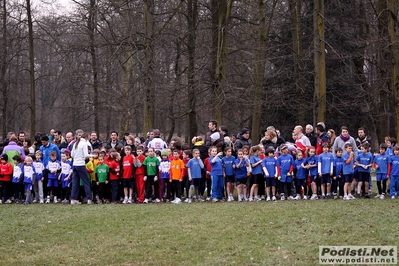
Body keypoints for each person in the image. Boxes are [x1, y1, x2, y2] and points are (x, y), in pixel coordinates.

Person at [70, 129, 93, 205]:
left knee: (75, 183)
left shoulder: (75, 143)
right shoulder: (84, 144)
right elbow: (86, 155)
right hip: (81, 165)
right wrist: (93, 155)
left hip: (75, 165)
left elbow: (72, 155)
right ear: (86, 138)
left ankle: (73, 199)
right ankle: (89, 198)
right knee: (86, 182)